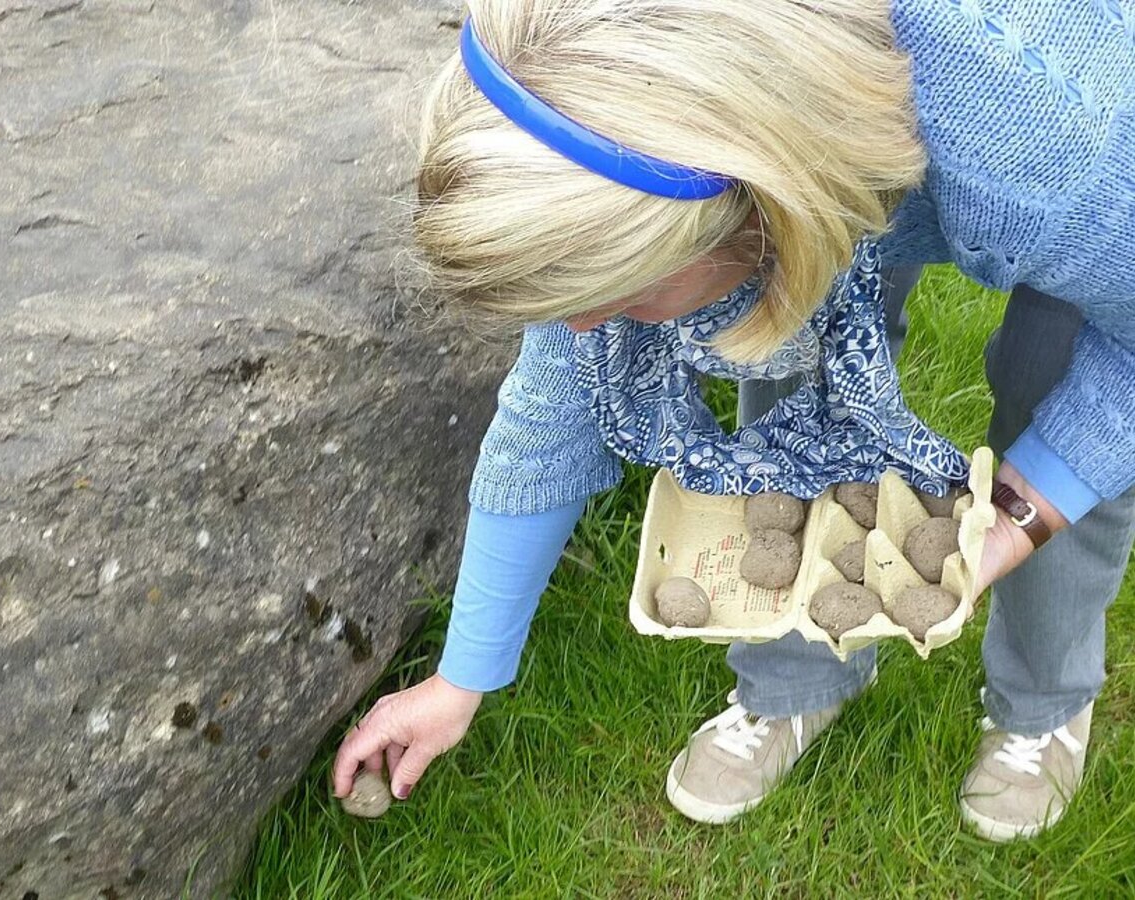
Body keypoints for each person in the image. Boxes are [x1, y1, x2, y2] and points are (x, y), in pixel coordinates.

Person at [333, 0, 1135, 841]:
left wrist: (1026, 507)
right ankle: (797, 679)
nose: (583, 331)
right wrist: (459, 678)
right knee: (779, 358)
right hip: (820, 127)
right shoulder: (619, 96)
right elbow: (552, 404)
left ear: (751, 206)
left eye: (624, 296)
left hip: (1067, 126)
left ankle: (1044, 702)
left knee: (1051, 385)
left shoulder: (1039, 124)